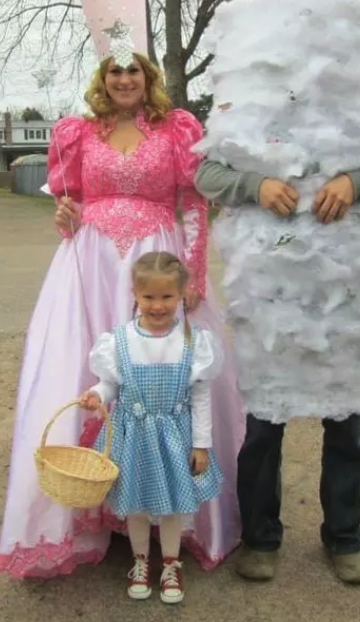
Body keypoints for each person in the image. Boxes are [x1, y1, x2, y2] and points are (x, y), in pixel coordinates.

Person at [0, 52, 244, 579]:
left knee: (168, 374)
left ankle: (170, 511)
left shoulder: (175, 129)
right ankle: (91, 512)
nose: (125, 79)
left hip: (157, 263)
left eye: (134, 71)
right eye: (115, 71)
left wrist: (193, 272)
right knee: (89, 373)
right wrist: (66, 218)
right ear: (102, 78)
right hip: (90, 268)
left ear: (147, 77)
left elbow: (194, 202)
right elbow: (70, 205)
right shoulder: (75, 133)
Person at [195, 159, 360, 585]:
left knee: (345, 427)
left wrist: (358, 183)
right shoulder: (253, 96)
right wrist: (257, 183)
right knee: (263, 430)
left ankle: (344, 537)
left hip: (346, 300)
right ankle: (260, 538)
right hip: (269, 299)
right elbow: (207, 174)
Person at [79, 251, 223, 604]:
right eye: (149, 298)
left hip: (175, 438)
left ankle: (171, 563)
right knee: (138, 506)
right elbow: (112, 384)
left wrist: (201, 445)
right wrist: (97, 394)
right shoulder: (120, 341)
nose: (157, 306)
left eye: (166, 297)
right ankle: (140, 560)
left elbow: (201, 397)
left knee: (173, 505)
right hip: (133, 439)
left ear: (181, 295)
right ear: (135, 295)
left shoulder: (193, 342)